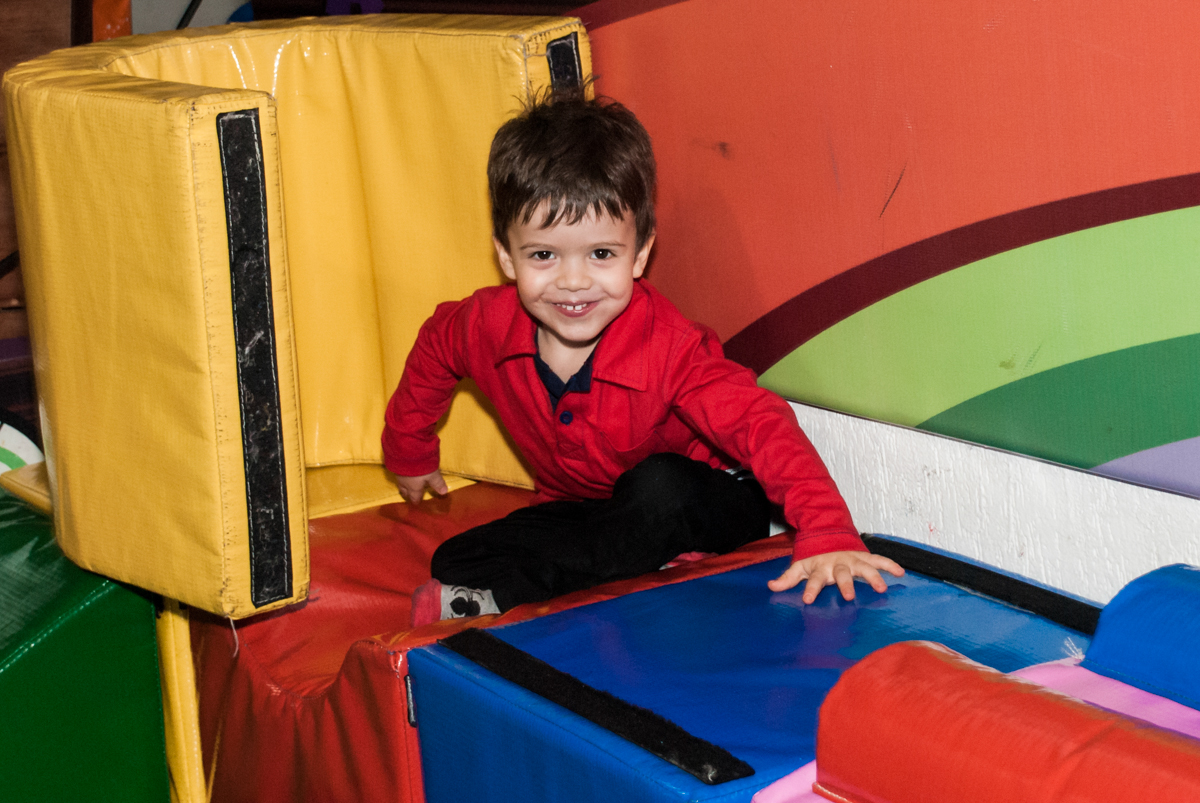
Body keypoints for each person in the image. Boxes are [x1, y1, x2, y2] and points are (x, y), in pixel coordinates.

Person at [382, 90, 903, 625]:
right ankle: (622, 571)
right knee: (456, 557)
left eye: (601, 254)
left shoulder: (670, 347)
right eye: (543, 255)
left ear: (641, 253)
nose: (573, 282)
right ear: (505, 257)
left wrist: (826, 530)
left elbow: (760, 424)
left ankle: (524, 589)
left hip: (706, 501)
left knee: (658, 488)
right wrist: (409, 449)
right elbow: (433, 351)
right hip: (591, 511)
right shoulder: (483, 325)